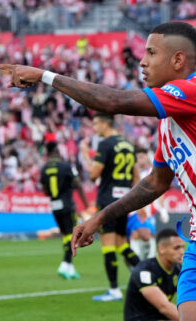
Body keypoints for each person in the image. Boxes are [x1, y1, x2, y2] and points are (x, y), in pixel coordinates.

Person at [0, 21, 196, 320]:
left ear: (178, 60)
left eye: (151, 52)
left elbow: (113, 101)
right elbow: (155, 183)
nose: (142, 61)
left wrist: (44, 75)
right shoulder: (170, 124)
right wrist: (99, 218)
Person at [81, 112, 141, 302]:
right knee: (122, 244)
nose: (94, 128)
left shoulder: (106, 144)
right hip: (124, 200)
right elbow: (136, 175)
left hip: (108, 200)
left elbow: (93, 174)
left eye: (96, 124)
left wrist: (84, 154)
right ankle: (150, 277)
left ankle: (114, 290)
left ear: (106, 124)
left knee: (108, 246)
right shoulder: (127, 144)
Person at [39, 141, 88, 279]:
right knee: (71, 235)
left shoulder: (44, 169)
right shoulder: (66, 166)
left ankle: (70, 268)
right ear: (57, 151)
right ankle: (65, 264)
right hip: (67, 204)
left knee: (66, 235)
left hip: (54, 206)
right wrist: (86, 205)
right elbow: (78, 184)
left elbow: (46, 191)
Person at [124, 228, 184, 321]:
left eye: (182, 247)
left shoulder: (178, 269)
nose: (181, 252)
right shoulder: (145, 271)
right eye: (176, 248)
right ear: (161, 249)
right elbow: (164, 307)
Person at [126, 147, 170, 260]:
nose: (140, 159)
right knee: (137, 235)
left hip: (149, 211)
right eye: (138, 157)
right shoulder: (130, 172)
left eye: (142, 156)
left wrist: (163, 209)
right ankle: (139, 263)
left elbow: (161, 191)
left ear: (147, 157)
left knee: (146, 235)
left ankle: (146, 261)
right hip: (133, 210)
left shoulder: (153, 172)